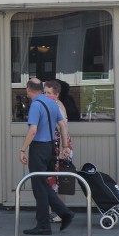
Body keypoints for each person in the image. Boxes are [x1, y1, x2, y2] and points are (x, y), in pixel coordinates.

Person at [18, 78, 75, 235]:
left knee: (39, 186)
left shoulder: (36, 105)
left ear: (28, 90)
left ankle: (55, 218)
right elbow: (63, 125)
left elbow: (33, 130)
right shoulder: (51, 102)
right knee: (42, 185)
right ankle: (53, 218)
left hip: (39, 148)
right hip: (50, 148)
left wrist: (22, 149)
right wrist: (64, 146)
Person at [45, 80, 75, 216]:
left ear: (56, 94)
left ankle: (60, 213)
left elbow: (62, 126)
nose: (46, 95)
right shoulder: (57, 104)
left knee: (58, 180)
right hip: (60, 145)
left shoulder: (56, 106)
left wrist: (64, 147)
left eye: (49, 93)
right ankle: (58, 211)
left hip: (59, 147)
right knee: (56, 180)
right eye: (44, 92)